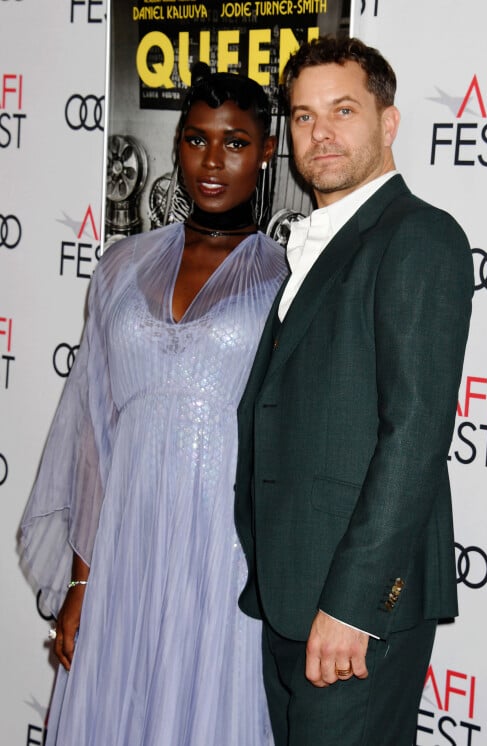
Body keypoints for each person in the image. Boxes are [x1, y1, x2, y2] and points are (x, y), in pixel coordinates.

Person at [19, 63, 287, 746]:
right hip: (125, 549)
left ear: (266, 151)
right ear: (176, 147)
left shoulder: (289, 278)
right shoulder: (121, 264)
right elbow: (92, 437)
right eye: (197, 140)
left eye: (235, 141)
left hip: (226, 556)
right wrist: (81, 584)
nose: (212, 161)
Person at [234, 36, 473, 745]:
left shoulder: (419, 237)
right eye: (304, 117)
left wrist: (353, 606)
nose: (321, 133)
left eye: (343, 109)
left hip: (353, 611)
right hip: (287, 597)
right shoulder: (311, 244)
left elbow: (415, 436)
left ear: (389, 122)